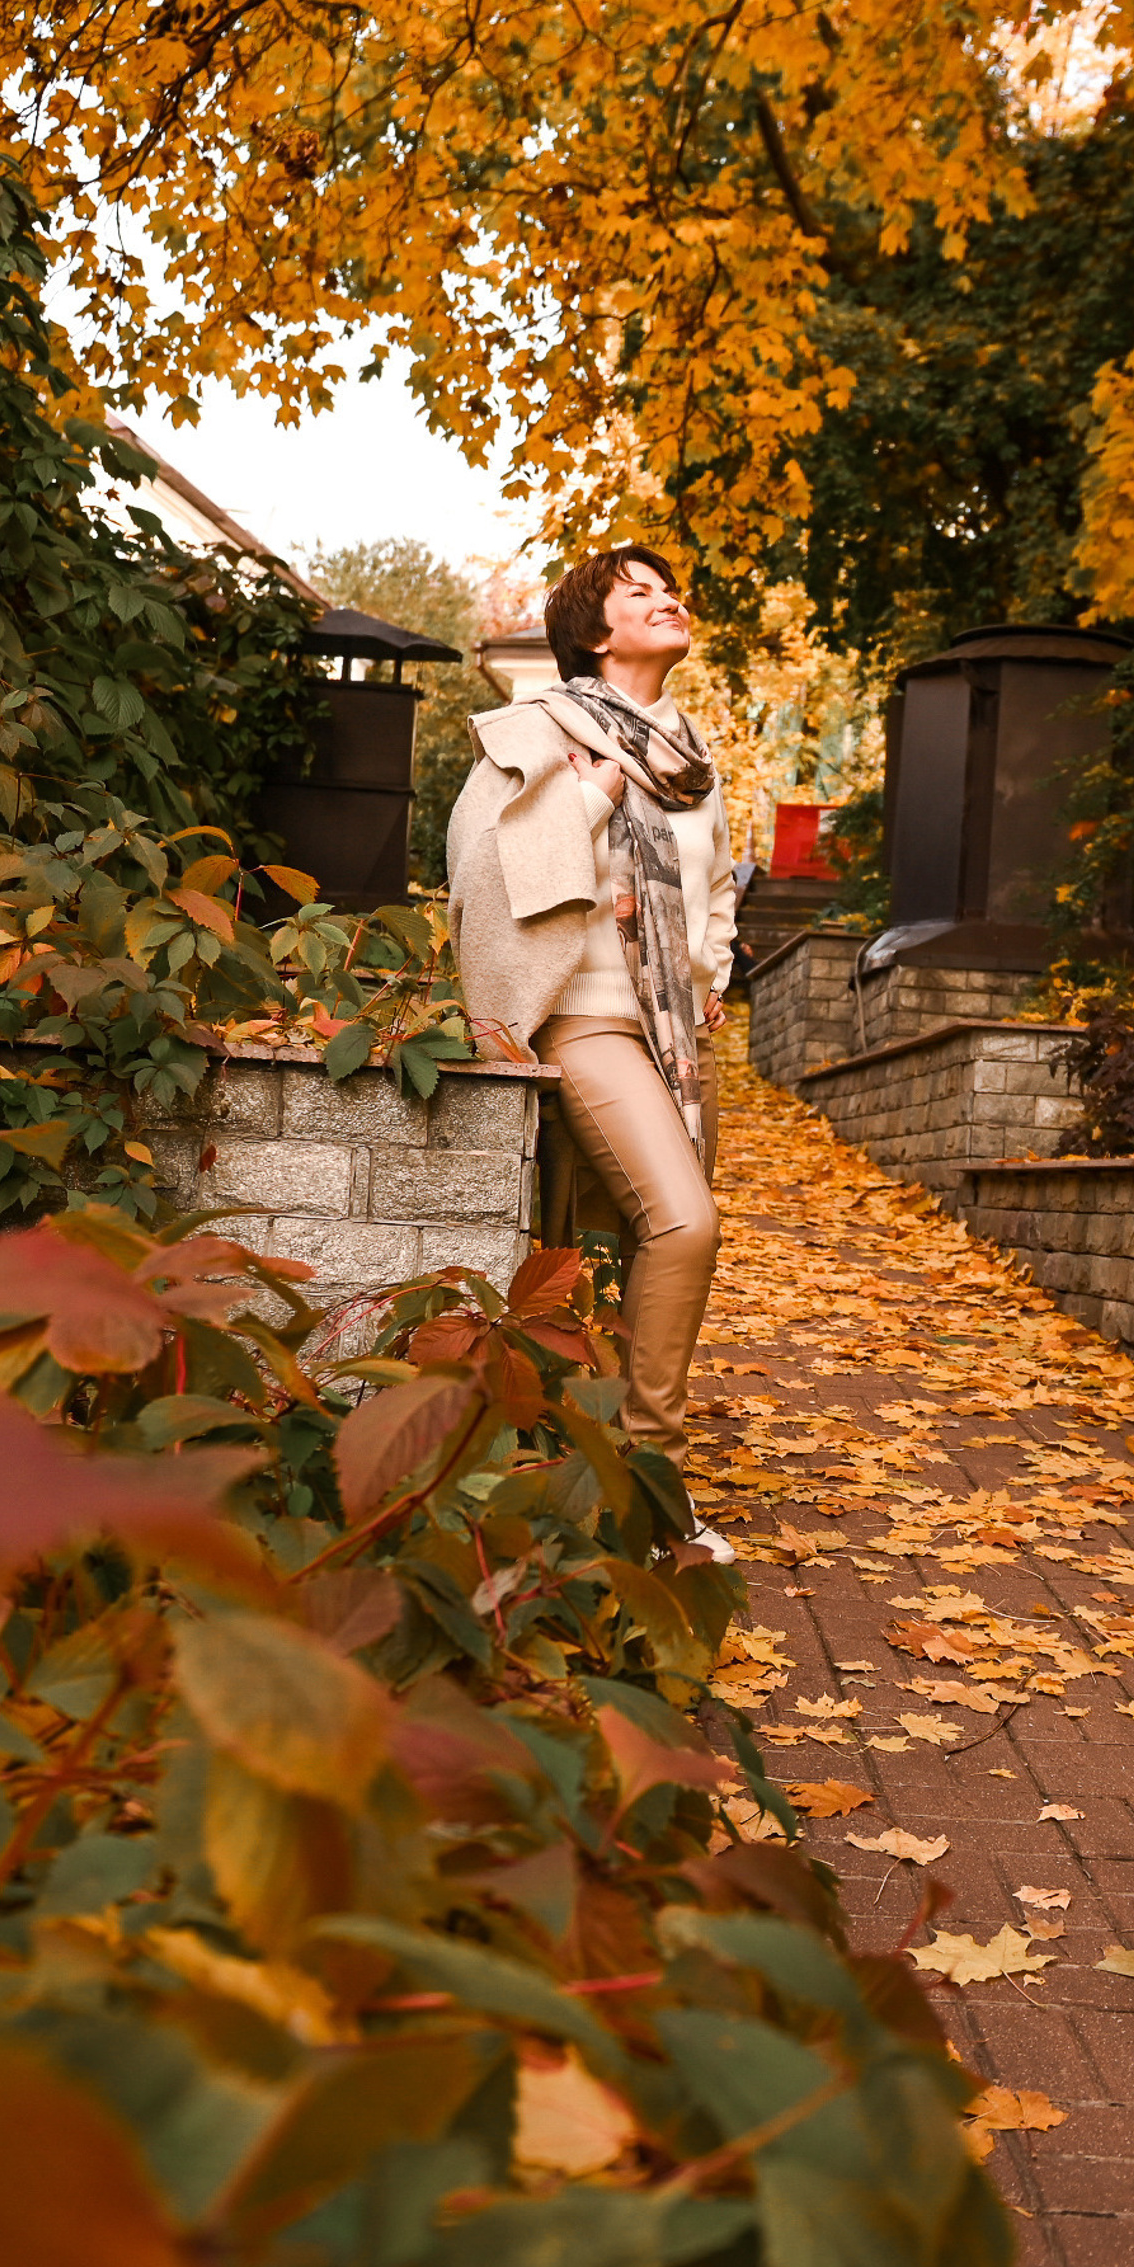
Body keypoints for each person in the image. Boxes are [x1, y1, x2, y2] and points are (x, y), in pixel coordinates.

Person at [447, 546, 738, 1536]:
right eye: (640, 594)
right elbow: (490, 867)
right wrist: (599, 793)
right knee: (682, 1224)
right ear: (596, 632)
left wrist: (710, 971)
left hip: (670, 1033)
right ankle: (654, 1485)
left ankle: (594, 1479)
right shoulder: (541, 729)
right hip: (584, 1017)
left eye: (672, 590)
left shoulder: (692, 754)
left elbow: (720, 884)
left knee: (621, 1256)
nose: (669, 602)